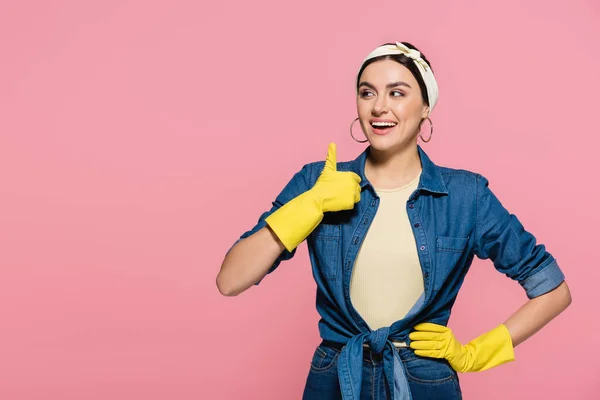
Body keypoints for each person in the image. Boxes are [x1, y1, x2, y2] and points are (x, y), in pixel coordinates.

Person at [216, 42, 572, 400]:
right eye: (367, 92)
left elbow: (553, 290)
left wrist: (474, 355)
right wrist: (310, 205)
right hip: (334, 378)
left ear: (426, 106)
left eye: (397, 93)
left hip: (424, 381)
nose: (379, 107)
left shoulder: (467, 196)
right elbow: (230, 280)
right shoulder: (317, 182)